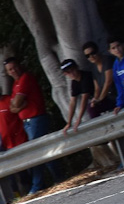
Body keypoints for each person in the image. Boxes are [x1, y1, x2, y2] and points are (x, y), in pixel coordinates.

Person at [4, 57, 63, 194]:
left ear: (20, 66)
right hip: (27, 122)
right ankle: (58, 177)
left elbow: (15, 104)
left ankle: (37, 185)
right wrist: (19, 106)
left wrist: (18, 105)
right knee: (43, 150)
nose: (13, 71)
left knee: (36, 152)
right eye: (10, 69)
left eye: (15, 67)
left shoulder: (25, 78)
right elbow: (13, 108)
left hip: (36, 119)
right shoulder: (16, 83)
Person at [59, 59, 93, 134]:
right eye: (68, 72)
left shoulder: (85, 77)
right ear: (65, 74)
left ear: (77, 67)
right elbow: (73, 102)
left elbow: (85, 98)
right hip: (94, 100)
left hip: (102, 98)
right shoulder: (74, 82)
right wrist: (69, 122)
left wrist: (79, 119)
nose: (72, 74)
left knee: (92, 109)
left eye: (73, 70)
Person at [82, 41, 115, 118]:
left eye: (93, 53)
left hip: (116, 94)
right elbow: (97, 89)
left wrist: (100, 99)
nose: (91, 57)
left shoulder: (107, 60)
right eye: (87, 56)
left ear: (97, 51)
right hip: (107, 98)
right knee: (92, 107)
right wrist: (95, 99)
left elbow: (108, 81)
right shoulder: (93, 68)